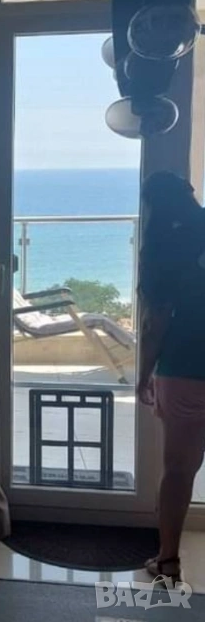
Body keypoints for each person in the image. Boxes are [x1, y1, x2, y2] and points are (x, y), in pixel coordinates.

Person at [138, 170, 205, 583]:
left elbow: (157, 322)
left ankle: (167, 561)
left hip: (185, 368)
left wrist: (144, 373)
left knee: (179, 469)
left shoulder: (163, 246)